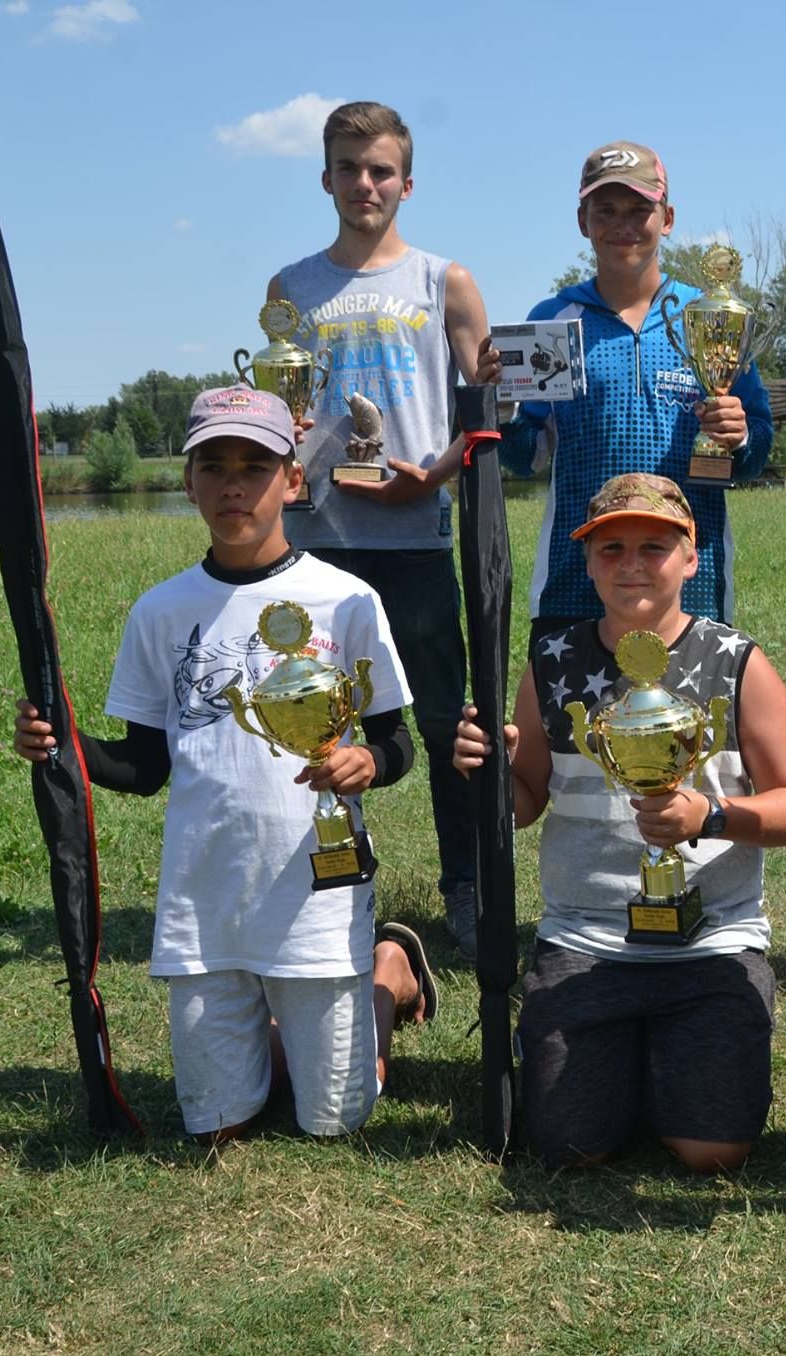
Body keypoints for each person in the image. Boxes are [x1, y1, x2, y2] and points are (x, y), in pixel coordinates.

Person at [11, 388, 437, 1142]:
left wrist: (368, 762)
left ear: (294, 480)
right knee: (217, 1128)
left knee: (335, 1122)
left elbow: (397, 742)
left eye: (256, 465)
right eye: (214, 467)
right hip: (205, 903)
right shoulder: (161, 611)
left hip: (318, 892)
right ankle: (279, 1027)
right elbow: (145, 767)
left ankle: (387, 969)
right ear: (190, 484)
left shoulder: (347, 602)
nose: (234, 485)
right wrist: (63, 747)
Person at [452, 474, 786, 1171]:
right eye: (611, 548)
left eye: (654, 546)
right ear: (586, 562)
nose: (632, 564)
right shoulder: (552, 664)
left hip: (713, 942)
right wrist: (489, 774)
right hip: (587, 941)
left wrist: (709, 815)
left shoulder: (738, 663)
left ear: (691, 557)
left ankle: (670, 1058)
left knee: (713, 1152)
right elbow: (526, 801)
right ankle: (633, 1057)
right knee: (569, 1146)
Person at [265, 100, 498, 962]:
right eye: (348, 167)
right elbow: (281, 413)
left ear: (407, 181)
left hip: (418, 538)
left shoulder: (446, 281)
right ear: (325, 176)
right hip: (319, 542)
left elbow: (486, 408)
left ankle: (467, 890)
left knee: (445, 726)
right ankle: (325, 880)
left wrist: (434, 475)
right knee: (312, 721)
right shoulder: (291, 288)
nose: (365, 183)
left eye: (381, 170)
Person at [502, 142, 773, 649]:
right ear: (583, 220)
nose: (623, 224)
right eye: (605, 210)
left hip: (693, 584)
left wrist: (738, 437)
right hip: (576, 584)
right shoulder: (553, 318)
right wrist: (501, 405)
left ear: (667, 218)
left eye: (639, 209)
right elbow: (523, 458)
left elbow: (756, 451)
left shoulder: (712, 317)